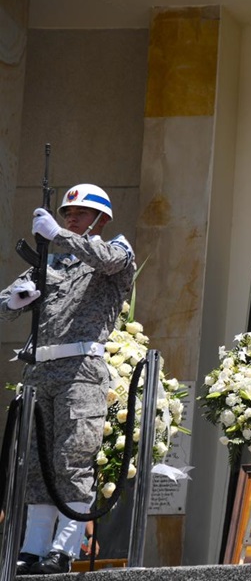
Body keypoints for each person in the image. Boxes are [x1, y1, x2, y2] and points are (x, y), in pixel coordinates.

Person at [0, 184, 135, 575]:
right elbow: (4, 304)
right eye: (65, 214)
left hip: (81, 371)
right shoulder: (50, 264)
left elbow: (111, 261)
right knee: (39, 464)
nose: (70, 219)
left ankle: (64, 549)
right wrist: (16, 299)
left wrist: (61, 237)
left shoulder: (117, 251)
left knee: (72, 459)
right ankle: (33, 548)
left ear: (101, 219)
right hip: (40, 371)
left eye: (79, 213)